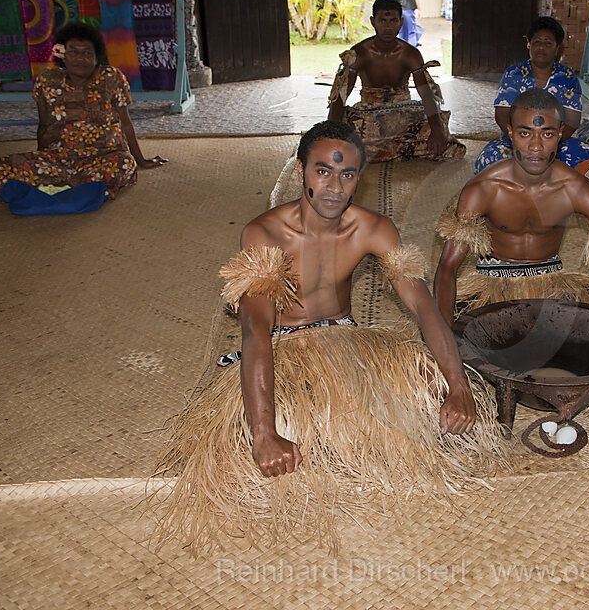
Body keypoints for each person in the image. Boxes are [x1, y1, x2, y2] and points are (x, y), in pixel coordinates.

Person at [159, 121, 500, 549]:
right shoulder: (264, 234)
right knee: (266, 435)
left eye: (347, 174)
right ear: (300, 171)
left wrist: (458, 384)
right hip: (281, 348)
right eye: (323, 171)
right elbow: (255, 332)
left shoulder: (373, 228)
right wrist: (263, 432)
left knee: (432, 391)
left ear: (359, 177)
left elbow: (422, 307)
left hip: (345, 339)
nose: (335, 186)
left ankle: (347, 434)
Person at [435, 88, 589, 324]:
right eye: (525, 133)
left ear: (559, 135)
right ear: (510, 133)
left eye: (546, 135)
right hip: (493, 291)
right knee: (439, 318)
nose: (536, 146)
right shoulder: (483, 190)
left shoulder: (576, 188)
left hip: (551, 285)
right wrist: (445, 332)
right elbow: (448, 267)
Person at [0, 21, 166, 201]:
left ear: (97, 57)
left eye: (87, 53)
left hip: (103, 158)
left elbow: (126, 124)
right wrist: (42, 160)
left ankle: (58, 188)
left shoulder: (111, 77)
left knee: (122, 165)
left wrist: (141, 160)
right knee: (3, 166)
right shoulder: (47, 81)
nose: (80, 58)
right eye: (73, 52)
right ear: (62, 55)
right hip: (61, 158)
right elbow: (44, 126)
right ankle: (77, 189)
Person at [328, 0, 464, 162]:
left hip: (402, 114)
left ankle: (377, 152)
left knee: (441, 134)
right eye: (382, 21)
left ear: (401, 22)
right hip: (369, 119)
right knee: (342, 128)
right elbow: (339, 98)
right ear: (372, 21)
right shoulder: (359, 53)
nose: (388, 27)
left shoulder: (410, 54)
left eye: (393, 21)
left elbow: (427, 95)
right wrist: (331, 135)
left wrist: (436, 130)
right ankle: (396, 150)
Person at [474, 16, 589, 173]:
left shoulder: (567, 77)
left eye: (548, 43)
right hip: (517, 142)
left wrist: (548, 146)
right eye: (537, 41)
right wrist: (523, 143)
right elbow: (501, 115)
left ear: (557, 48)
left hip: (555, 143)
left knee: (584, 158)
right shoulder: (514, 74)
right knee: (491, 158)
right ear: (529, 44)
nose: (541, 47)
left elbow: (572, 120)